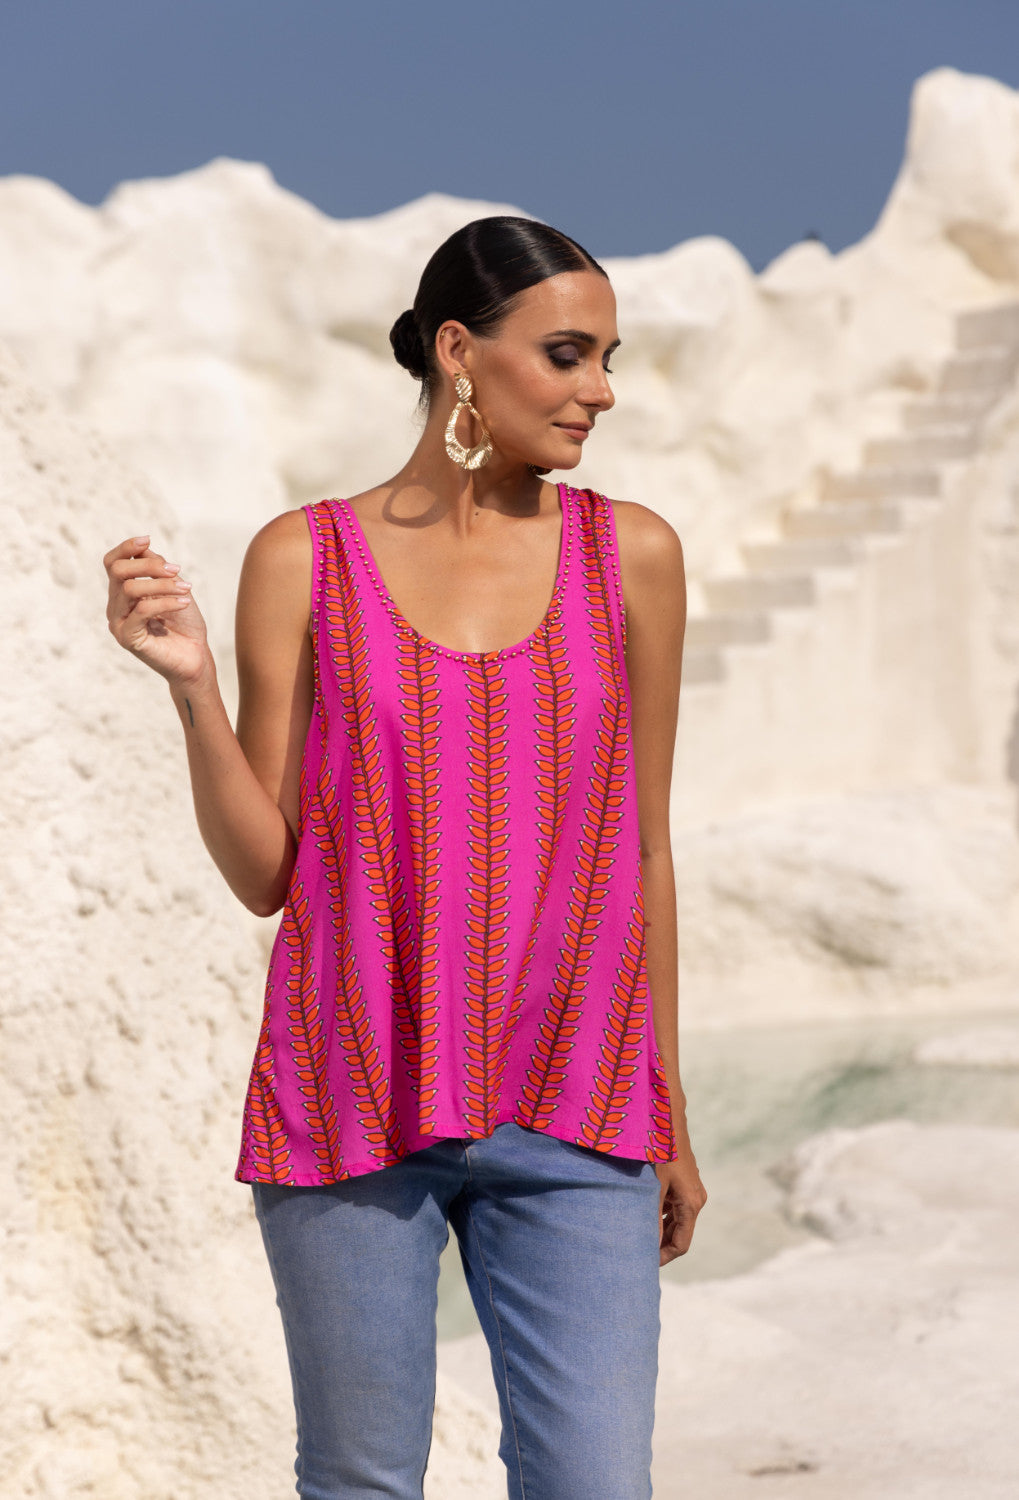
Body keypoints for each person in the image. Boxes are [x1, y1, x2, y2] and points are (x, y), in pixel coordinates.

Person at [103, 215, 706, 1500]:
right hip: (352, 1096)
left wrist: (667, 1108)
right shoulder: (303, 558)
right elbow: (265, 874)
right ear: (458, 351)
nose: (600, 389)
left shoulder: (635, 558)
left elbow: (645, 851)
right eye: (566, 353)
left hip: (580, 1107)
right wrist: (193, 689)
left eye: (606, 358)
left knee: (595, 1481)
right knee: (363, 1484)